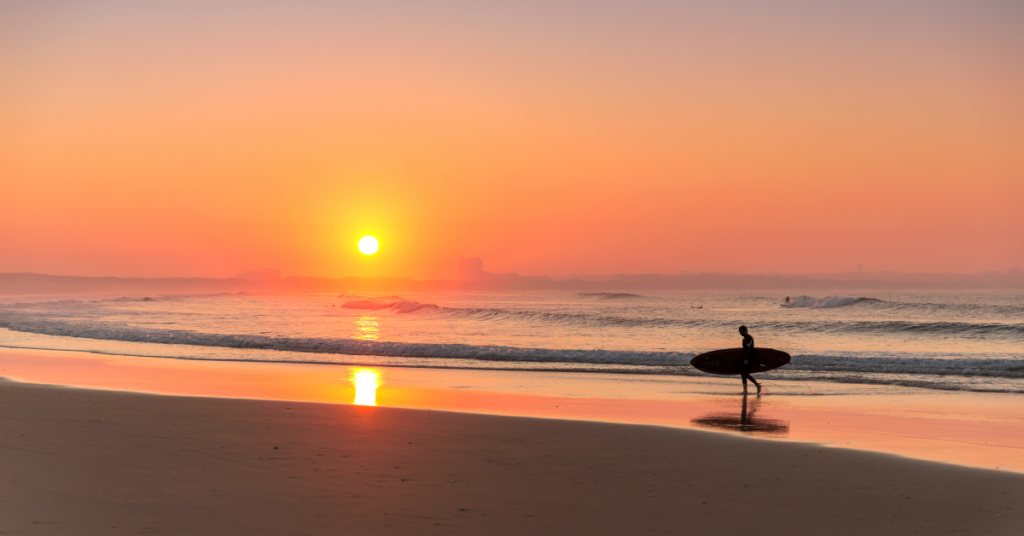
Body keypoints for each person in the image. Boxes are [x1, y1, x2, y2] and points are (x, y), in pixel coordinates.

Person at [738, 325, 761, 394]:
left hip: (749, 358)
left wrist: (747, 359)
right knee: (743, 374)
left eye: (741, 332)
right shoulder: (744, 338)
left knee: (746, 374)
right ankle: (745, 390)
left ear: (745, 331)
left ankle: (757, 385)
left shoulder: (749, 338)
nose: (740, 333)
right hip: (745, 358)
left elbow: (749, 350)